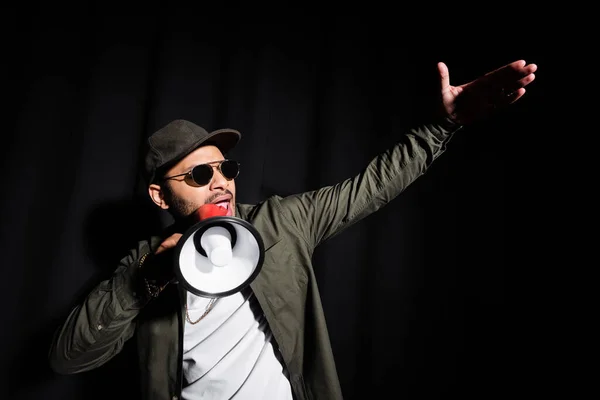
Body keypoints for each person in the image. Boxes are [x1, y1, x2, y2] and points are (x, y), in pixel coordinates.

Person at [48, 59, 537, 400]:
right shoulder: (145, 263)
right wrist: (149, 279)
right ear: (161, 196)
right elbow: (68, 359)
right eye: (199, 175)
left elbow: (369, 187)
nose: (220, 183)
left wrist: (442, 126)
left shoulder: (282, 222)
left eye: (225, 169)